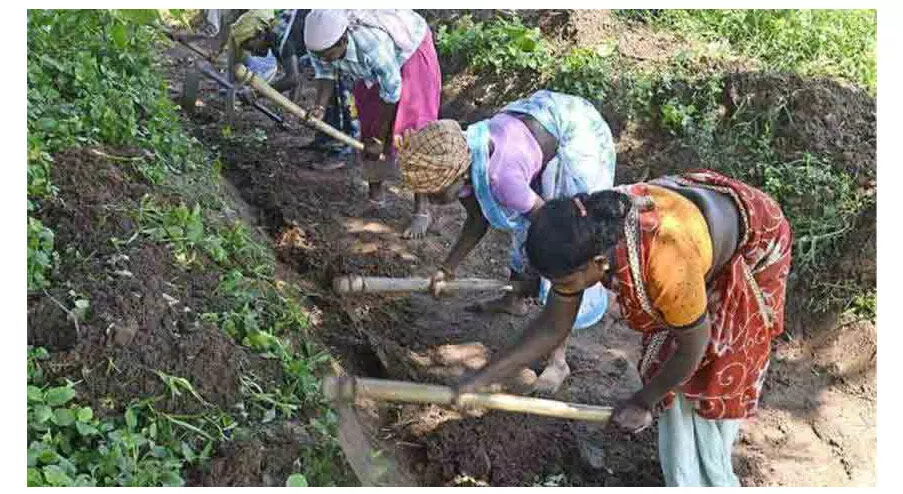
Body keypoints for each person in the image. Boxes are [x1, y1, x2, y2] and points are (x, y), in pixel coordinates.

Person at [454, 169, 793, 486]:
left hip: (754, 244)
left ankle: (709, 477)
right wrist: (481, 378)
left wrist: (643, 401)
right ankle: (684, 471)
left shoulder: (664, 264)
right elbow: (551, 327)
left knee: (713, 373)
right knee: (667, 364)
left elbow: (694, 345)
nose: (562, 288)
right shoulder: (586, 230)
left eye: (566, 281)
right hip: (694, 231)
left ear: (599, 264)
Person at [396, 90, 617, 392]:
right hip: (542, 121)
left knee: (565, 252)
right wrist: (447, 269)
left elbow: (555, 232)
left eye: (435, 193)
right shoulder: (462, 151)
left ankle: (558, 358)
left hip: (578, 134)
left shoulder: (503, 179)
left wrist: (538, 274)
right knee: (526, 226)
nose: (433, 202)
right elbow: (477, 218)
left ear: (457, 176)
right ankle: (514, 299)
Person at [303, 9, 442, 239]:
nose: (325, 59)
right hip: (370, 68)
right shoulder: (319, 43)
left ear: (344, 40)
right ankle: (376, 198)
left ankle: (421, 210)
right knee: (368, 122)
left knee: (413, 129)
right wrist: (319, 107)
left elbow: (392, 91)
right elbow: (324, 73)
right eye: (320, 55)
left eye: (329, 55)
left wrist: (380, 138)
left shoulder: (373, 46)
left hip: (409, 53)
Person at [239, 9, 360, 170]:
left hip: (338, 49)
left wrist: (256, 92)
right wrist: (291, 108)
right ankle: (324, 141)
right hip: (325, 55)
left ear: (259, 33)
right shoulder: (275, 33)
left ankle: (344, 152)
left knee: (343, 99)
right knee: (328, 99)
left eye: (250, 45)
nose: (252, 52)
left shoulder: (279, 37)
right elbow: (296, 76)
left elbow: (292, 78)